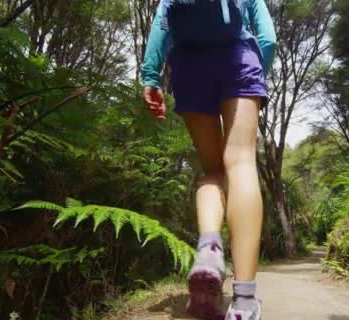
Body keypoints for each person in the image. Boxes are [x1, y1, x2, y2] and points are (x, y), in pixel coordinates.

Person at [141, 0, 276, 319]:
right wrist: (256, 75)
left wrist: (151, 77)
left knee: (213, 171)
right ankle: (243, 302)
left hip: (188, 65)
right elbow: (269, 38)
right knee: (241, 164)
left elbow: (162, 25)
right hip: (239, 59)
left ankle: (210, 250)